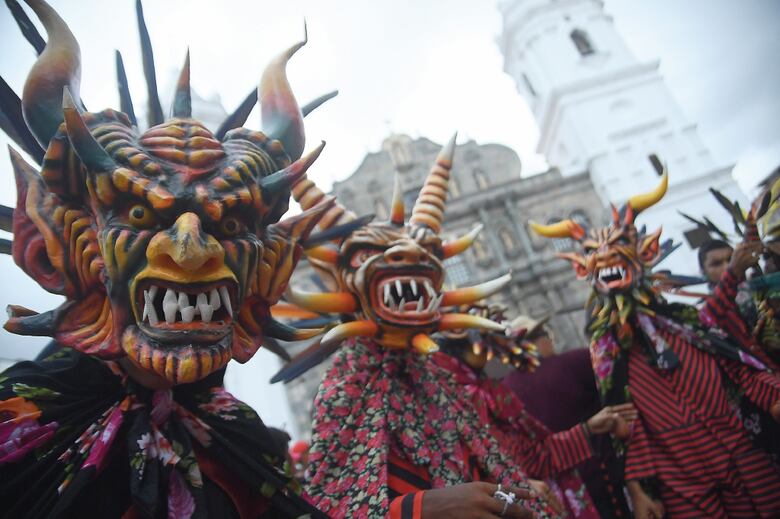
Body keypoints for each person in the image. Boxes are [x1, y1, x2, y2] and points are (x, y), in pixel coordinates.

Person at [0, 1, 334, 516]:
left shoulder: (246, 442)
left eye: (229, 224)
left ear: (269, 266)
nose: (191, 249)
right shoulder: (15, 424)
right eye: (138, 214)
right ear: (57, 246)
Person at [275, 137, 552, 517]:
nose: (409, 253)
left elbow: (486, 466)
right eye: (366, 255)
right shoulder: (345, 390)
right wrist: (422, 508)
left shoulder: (439, 381)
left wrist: (517, 495)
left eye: (428, 251)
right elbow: (333, 509)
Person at [531, 170, 780, 518]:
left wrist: (772, 396)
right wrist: (638, 487)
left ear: (644, 255)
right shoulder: (607, 351)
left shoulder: (684, 321)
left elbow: (732, 359)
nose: (605, 256)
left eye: (618, 248)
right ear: (584, 270)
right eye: (593, 252)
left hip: (741, 451)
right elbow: (624, 423)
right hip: (678, 474)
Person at [434, 304, 634, 518]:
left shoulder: (490, 390)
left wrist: (588, 429)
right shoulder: (458, 400)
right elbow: (504, 468)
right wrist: (514, 486)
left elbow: (531, 457)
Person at [503, 316, 632, 518]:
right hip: (603, 476)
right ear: (542, 339)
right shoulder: (575, 362)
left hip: (557, 497)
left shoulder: (503, 391)